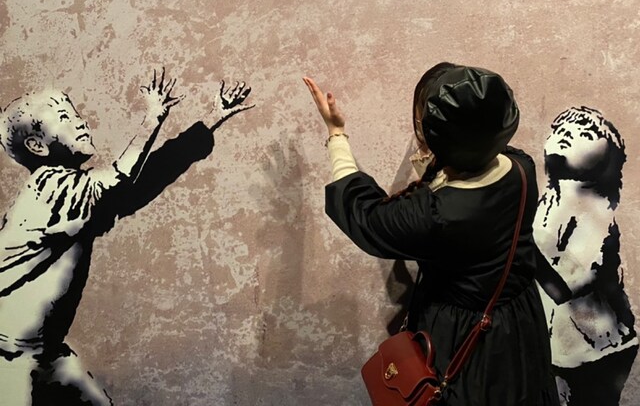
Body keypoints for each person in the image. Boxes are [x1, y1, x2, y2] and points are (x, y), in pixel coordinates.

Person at [303, 63, 560, 406]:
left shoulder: (435, 216)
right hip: (519, 321)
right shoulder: (520, 167)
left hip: (463, 337)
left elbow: (365, 214)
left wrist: (336, 133)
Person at [0, 71, 252, 405]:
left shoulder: (76, 202)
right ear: (37, 146)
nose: (80, 121)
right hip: (10, 360)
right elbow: (120, 175)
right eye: (64, 117)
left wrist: (212, 119)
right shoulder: (48, 189)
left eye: (75, 113)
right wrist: (152, 118)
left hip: (47, 354)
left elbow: (147, 177)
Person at [534, 106, 638, 405]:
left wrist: (518, 242)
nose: (568, 132)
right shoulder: (548, 201)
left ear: (608, 156)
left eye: (587, 132)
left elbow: (566, 285)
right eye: (561, 128)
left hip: (596, 349)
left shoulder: (598, 209)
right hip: (561, 346)